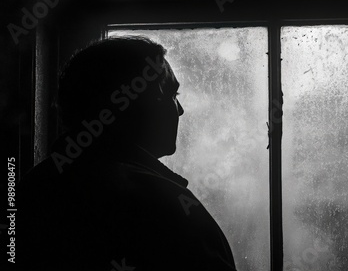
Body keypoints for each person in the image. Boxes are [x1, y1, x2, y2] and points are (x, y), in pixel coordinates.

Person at [17, 37, 237, 270]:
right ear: (137, 102)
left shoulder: (33, 187)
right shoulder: (158, 202)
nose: (180, 110)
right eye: (171, 94)